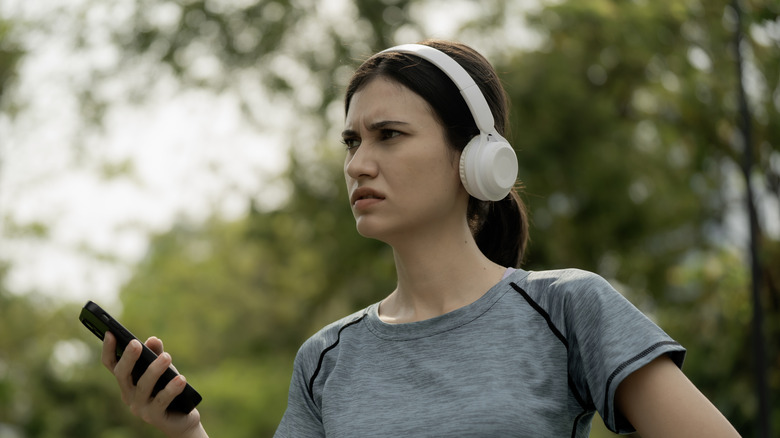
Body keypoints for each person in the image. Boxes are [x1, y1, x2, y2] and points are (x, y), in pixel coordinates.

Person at [101, 39, 740, 437]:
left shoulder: (568, 308)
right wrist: (185, 432)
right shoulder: (326, 359)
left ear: (477, 158)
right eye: (352, 141)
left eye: (389, 135)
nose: (357, 164)